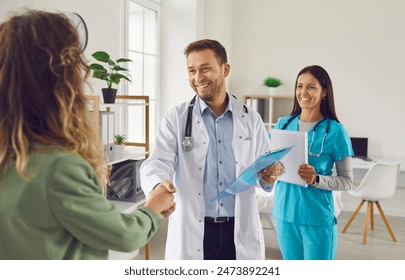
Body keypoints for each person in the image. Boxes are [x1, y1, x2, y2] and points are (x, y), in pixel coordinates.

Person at [0, 10, 175, 260]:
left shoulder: (11, 154)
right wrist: (154, 205)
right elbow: (124, 235)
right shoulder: (59, 167)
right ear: (62, 80)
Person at [140, 39, 283, 260]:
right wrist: (160, 184)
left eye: (205, 68)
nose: (198, 78)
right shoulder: (176, 118)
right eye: (192, 71)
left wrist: (270, 175)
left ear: (225, 69)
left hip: (238, 228)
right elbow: (157, 162)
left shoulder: (250, 118)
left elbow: (265, 170)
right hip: (195, 228)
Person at [272, 65, 354, 260]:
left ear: (324, 91)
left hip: (316, 218)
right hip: (284, 215)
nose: (303, 92)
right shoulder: (282, 124)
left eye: (311, 87)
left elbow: (347, 181)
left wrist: (316, 179)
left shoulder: (336, 131)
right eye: (299, 86)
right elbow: (269, 163)